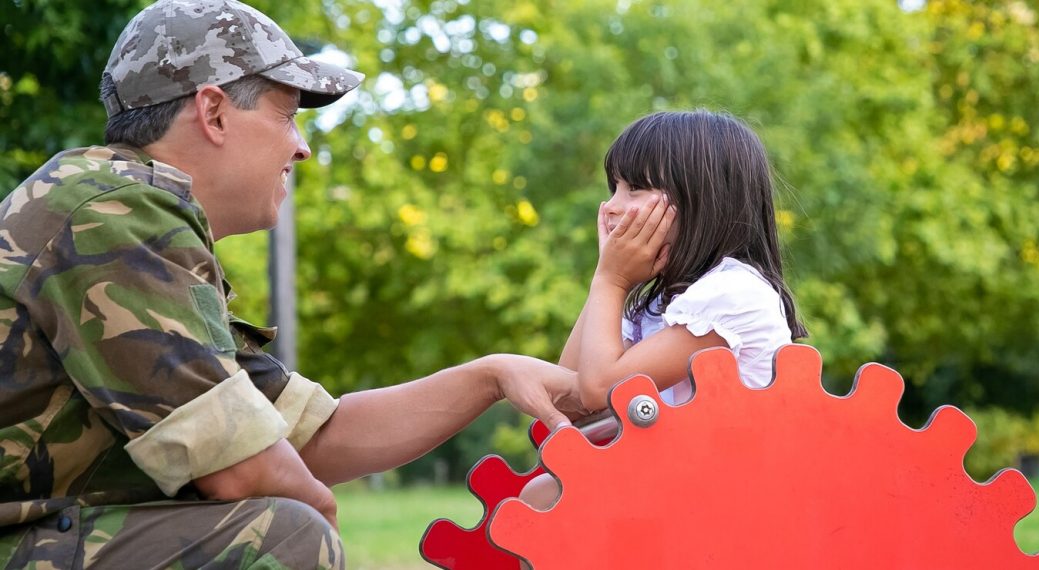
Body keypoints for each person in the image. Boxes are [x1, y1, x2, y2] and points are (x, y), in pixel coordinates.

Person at [0, 1, 586, 568]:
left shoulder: (122, 212)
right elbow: (243, 469)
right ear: (214, 112)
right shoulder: (114, 212)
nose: (301, 147)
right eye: (287, 115)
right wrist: (319, 524)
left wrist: (493, 375)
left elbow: (311, 436)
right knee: (282, 536)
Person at [518, 110, 808, 518]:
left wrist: (611, 282)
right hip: (681, 486)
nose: (611, 207)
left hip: (734, 503)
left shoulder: (733, 293)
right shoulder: (658, 303)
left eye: (634, 188)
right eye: (613, 187)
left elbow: (600, 390)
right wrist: (608, 280)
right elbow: (568, 405)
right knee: (547, 491)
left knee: (549, 497)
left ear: (701, 199)